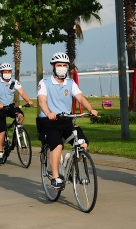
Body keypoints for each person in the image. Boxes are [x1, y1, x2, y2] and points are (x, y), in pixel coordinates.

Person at [37, 52, 98, 189]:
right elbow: (42, 101)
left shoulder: (70, 83)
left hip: (66, 120)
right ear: (53, 66)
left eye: (65, 65)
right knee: (57, 145)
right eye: (59, 65)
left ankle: (70, 165)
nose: (62, 67)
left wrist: (90, 109)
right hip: (49, 121)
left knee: (83, 144)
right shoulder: (45, 83)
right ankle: (55, 177)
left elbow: (80, 97)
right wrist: (48, 112)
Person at [0, 62, 33, 163]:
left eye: (9, 71)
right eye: (5, 72)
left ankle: (18, 130)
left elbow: (22, 92)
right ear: (1, 72)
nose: (7, 73)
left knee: (20, 115)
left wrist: (28, 100)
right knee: (2, 130)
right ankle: (0, 151)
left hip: (9, 106)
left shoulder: (14, 82)